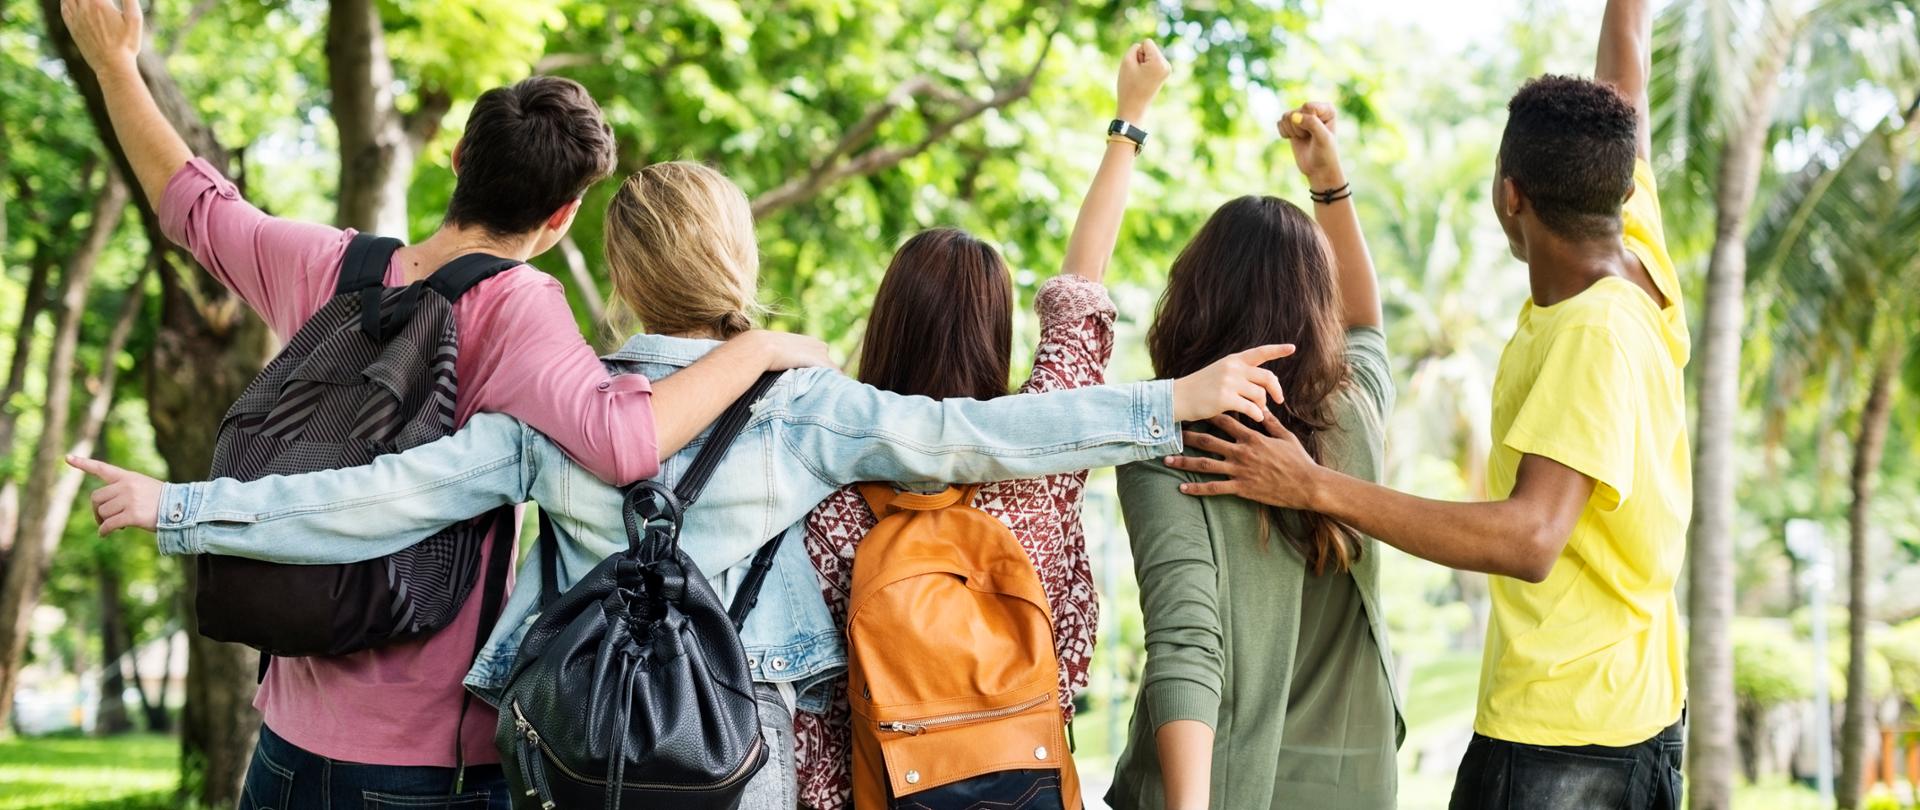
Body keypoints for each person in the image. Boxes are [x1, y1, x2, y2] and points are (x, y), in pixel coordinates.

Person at [71, 157, 1294, 808]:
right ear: (739, 262)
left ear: (620, 274)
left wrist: (180, 507)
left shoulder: (553, 410)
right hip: (741, 752)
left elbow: (373, 499)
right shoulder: (803, 405)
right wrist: (1170, 402)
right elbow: (985, 437)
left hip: (575, 750)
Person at [60, 0, 831, 805]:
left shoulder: (328, 266)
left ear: (459, 158)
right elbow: (623, 440)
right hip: (426, 762)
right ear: (563, 214)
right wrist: (759, 348)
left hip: (285, 744)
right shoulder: (519, 307)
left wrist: (117, 66)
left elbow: (193, 205)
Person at [1163, 0, 1690, 806]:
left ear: (1510, 196)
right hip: (1636, 708)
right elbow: (1627, 73)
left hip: (1566, 741)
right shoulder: (1633, 243)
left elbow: (1531, 536)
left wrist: (1314, 485)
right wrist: (1329, 184)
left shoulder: (1592, 335)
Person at [793, 41, 1170, 809]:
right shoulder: (1043, 455)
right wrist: (1128, 120)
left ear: (888, 323)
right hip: (1025, 782)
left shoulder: (822, 482)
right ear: (994, 333)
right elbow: (1080, 292)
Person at [1103, 100, 1400, 810]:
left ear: (1193, 296)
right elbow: (1367, 324)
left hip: (1219, 789)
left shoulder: (1168, 442)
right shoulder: (1354, 411)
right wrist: (1329, 183)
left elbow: (1186, 647)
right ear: (1317, 307)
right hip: (1355, 785)